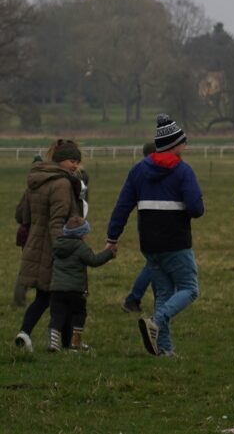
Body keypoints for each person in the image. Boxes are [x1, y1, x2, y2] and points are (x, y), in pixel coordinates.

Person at [106, 116, 205, 357]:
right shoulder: (183, 170)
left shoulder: (138, 170)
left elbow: (122, 206)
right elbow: (196, 209)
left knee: (163, 293)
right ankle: (155, 321)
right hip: (176, 242)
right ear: (175, 144)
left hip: (149, 243)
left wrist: (113, 236)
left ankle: (164, 349)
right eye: (183, 142)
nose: (186, 146)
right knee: (190, 289)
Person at [14, 140, 83, 351]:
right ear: (61, 161)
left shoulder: (36, 179)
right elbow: (57, 222)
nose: (75, 166)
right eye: (73, 161)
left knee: (46, 297)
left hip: (35, 245)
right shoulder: (61, 184)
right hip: (53, 248)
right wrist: (64, 251)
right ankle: (66, 343)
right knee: (65, 296)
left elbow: (20, 215)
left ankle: (26, 334)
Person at [47, 216, 113, 352]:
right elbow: (94, 260)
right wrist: (109, 253)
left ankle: (53, 342)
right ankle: (75, 343)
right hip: (75, 290)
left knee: (57, 315)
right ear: (81, 235)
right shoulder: (81, 247)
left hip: (56, 290)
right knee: (79, 314)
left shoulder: (57, 245)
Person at [119, 143, 157, 315]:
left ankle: (158, 300)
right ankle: (133, 299)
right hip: (158, 223)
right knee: (154, 264)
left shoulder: (139, 172)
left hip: (144, 222)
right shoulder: (155, 172)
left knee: (156, 264)